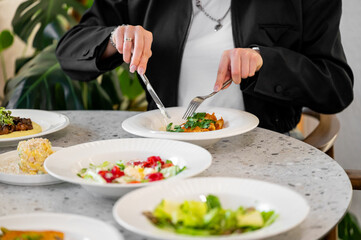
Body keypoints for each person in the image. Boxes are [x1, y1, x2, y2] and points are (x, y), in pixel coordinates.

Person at [56, 0, 353, 134]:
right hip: (165, 146)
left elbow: (336, 88)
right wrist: (114, 38)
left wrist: (267, 62)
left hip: (265, 147)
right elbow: (69, 51)